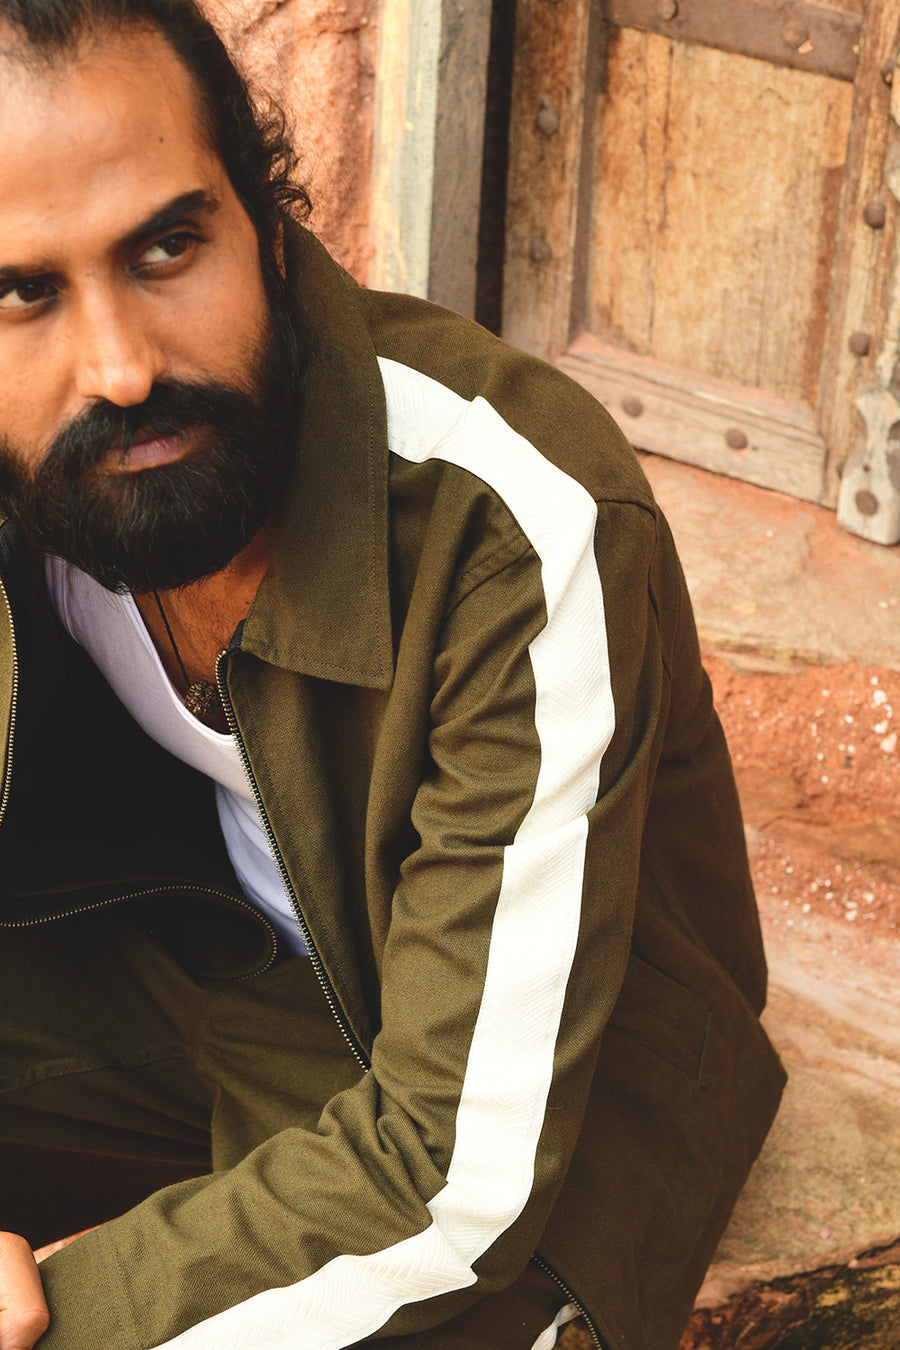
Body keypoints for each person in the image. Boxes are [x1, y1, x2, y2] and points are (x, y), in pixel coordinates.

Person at [0, 2, 786, 1347]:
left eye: (169, 245)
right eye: (24, 293)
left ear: (274, 225)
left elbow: (459, 1173)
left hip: (525, 1067)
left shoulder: (512, 511)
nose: (121, 368)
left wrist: (70, 1311)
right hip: (209, 983)